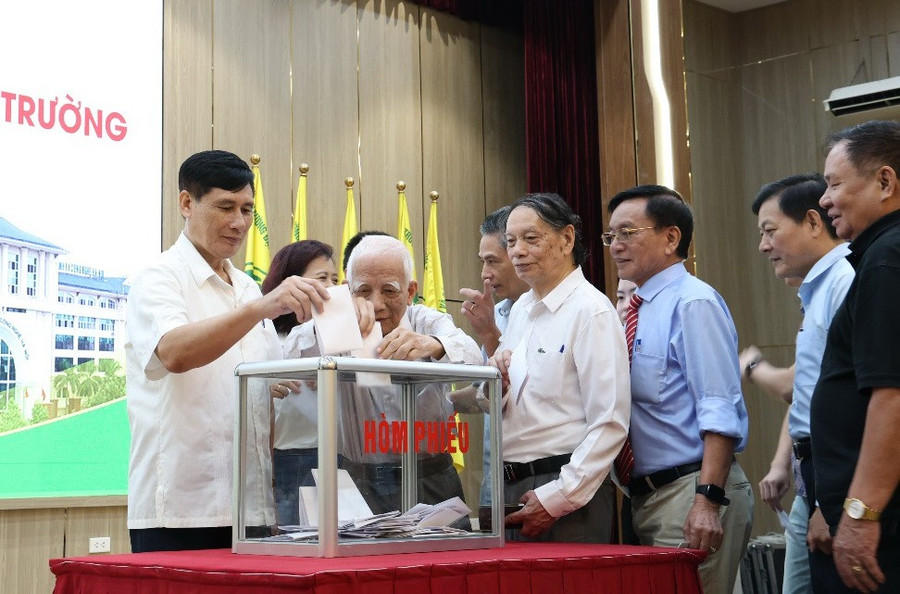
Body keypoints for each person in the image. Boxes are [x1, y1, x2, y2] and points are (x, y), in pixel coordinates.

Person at [125, 150, 333, 552]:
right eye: (225, 207)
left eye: (247, 209)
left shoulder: (247, 288)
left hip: (250, 508)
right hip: (181, 510)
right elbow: (174, 352)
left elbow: (274, 380)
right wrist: (260, 308)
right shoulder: (159, 277)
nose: (239, 223)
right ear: (187, 203)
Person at [606, 184, 752, 593]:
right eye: (611, 235)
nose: (616, 245)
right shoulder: (636, 310)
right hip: (646, 499)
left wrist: (708, 500)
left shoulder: (693, 303)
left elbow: (719, 407)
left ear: (671, 237)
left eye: (628, 233)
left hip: (691, 492)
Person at [491, 192, 630, 543]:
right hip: (511, 485)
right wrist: (497, 381)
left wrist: (558, 497)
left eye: (530, 239)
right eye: (510, 242)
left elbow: (610, 420)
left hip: (564, 488)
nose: (517, 251)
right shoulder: (521, 308)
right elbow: (505, 398)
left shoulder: (591, 311)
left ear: (567, 239)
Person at [750, 172, 854, 594]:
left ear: (813, 221)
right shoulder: (819, 288)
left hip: (836, 472)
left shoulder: (845, 280)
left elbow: (856, 403)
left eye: (770, 231)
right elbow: (812, 391)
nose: (763, 245)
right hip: (817, 471)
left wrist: (836, 505)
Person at [810, 120, 900, 593]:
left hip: (886, 524)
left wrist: (861, 512)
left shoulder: (887, 258)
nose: (824, 200)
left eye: (834, 183)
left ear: (885, 182)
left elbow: (892, 395)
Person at [338, 234, 483, 515]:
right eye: (363, 290)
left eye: (389, 291)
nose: (376, 304)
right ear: (347, 290)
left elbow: (472, 354)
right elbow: (295, 353)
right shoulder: (337, 327)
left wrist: (434, 344)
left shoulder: (426, 320)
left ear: (410, 290)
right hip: (360, 482)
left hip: (430, 477)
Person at [455, 206, 530, 510]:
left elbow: (522, 389)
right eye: (482, 262)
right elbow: (483, 397)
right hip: (494, 475)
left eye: (492, 262)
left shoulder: (552, 313)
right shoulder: (495, 312)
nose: (485, 273)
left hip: (538, 477)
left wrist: (490, 337)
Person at [261, 240, 340, 527]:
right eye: (321, 279)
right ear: (288, 283)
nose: (331, 288)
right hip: (292, 458)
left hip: (340, 456)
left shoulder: (340, 339)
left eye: (335, 279)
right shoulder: (268, 336)